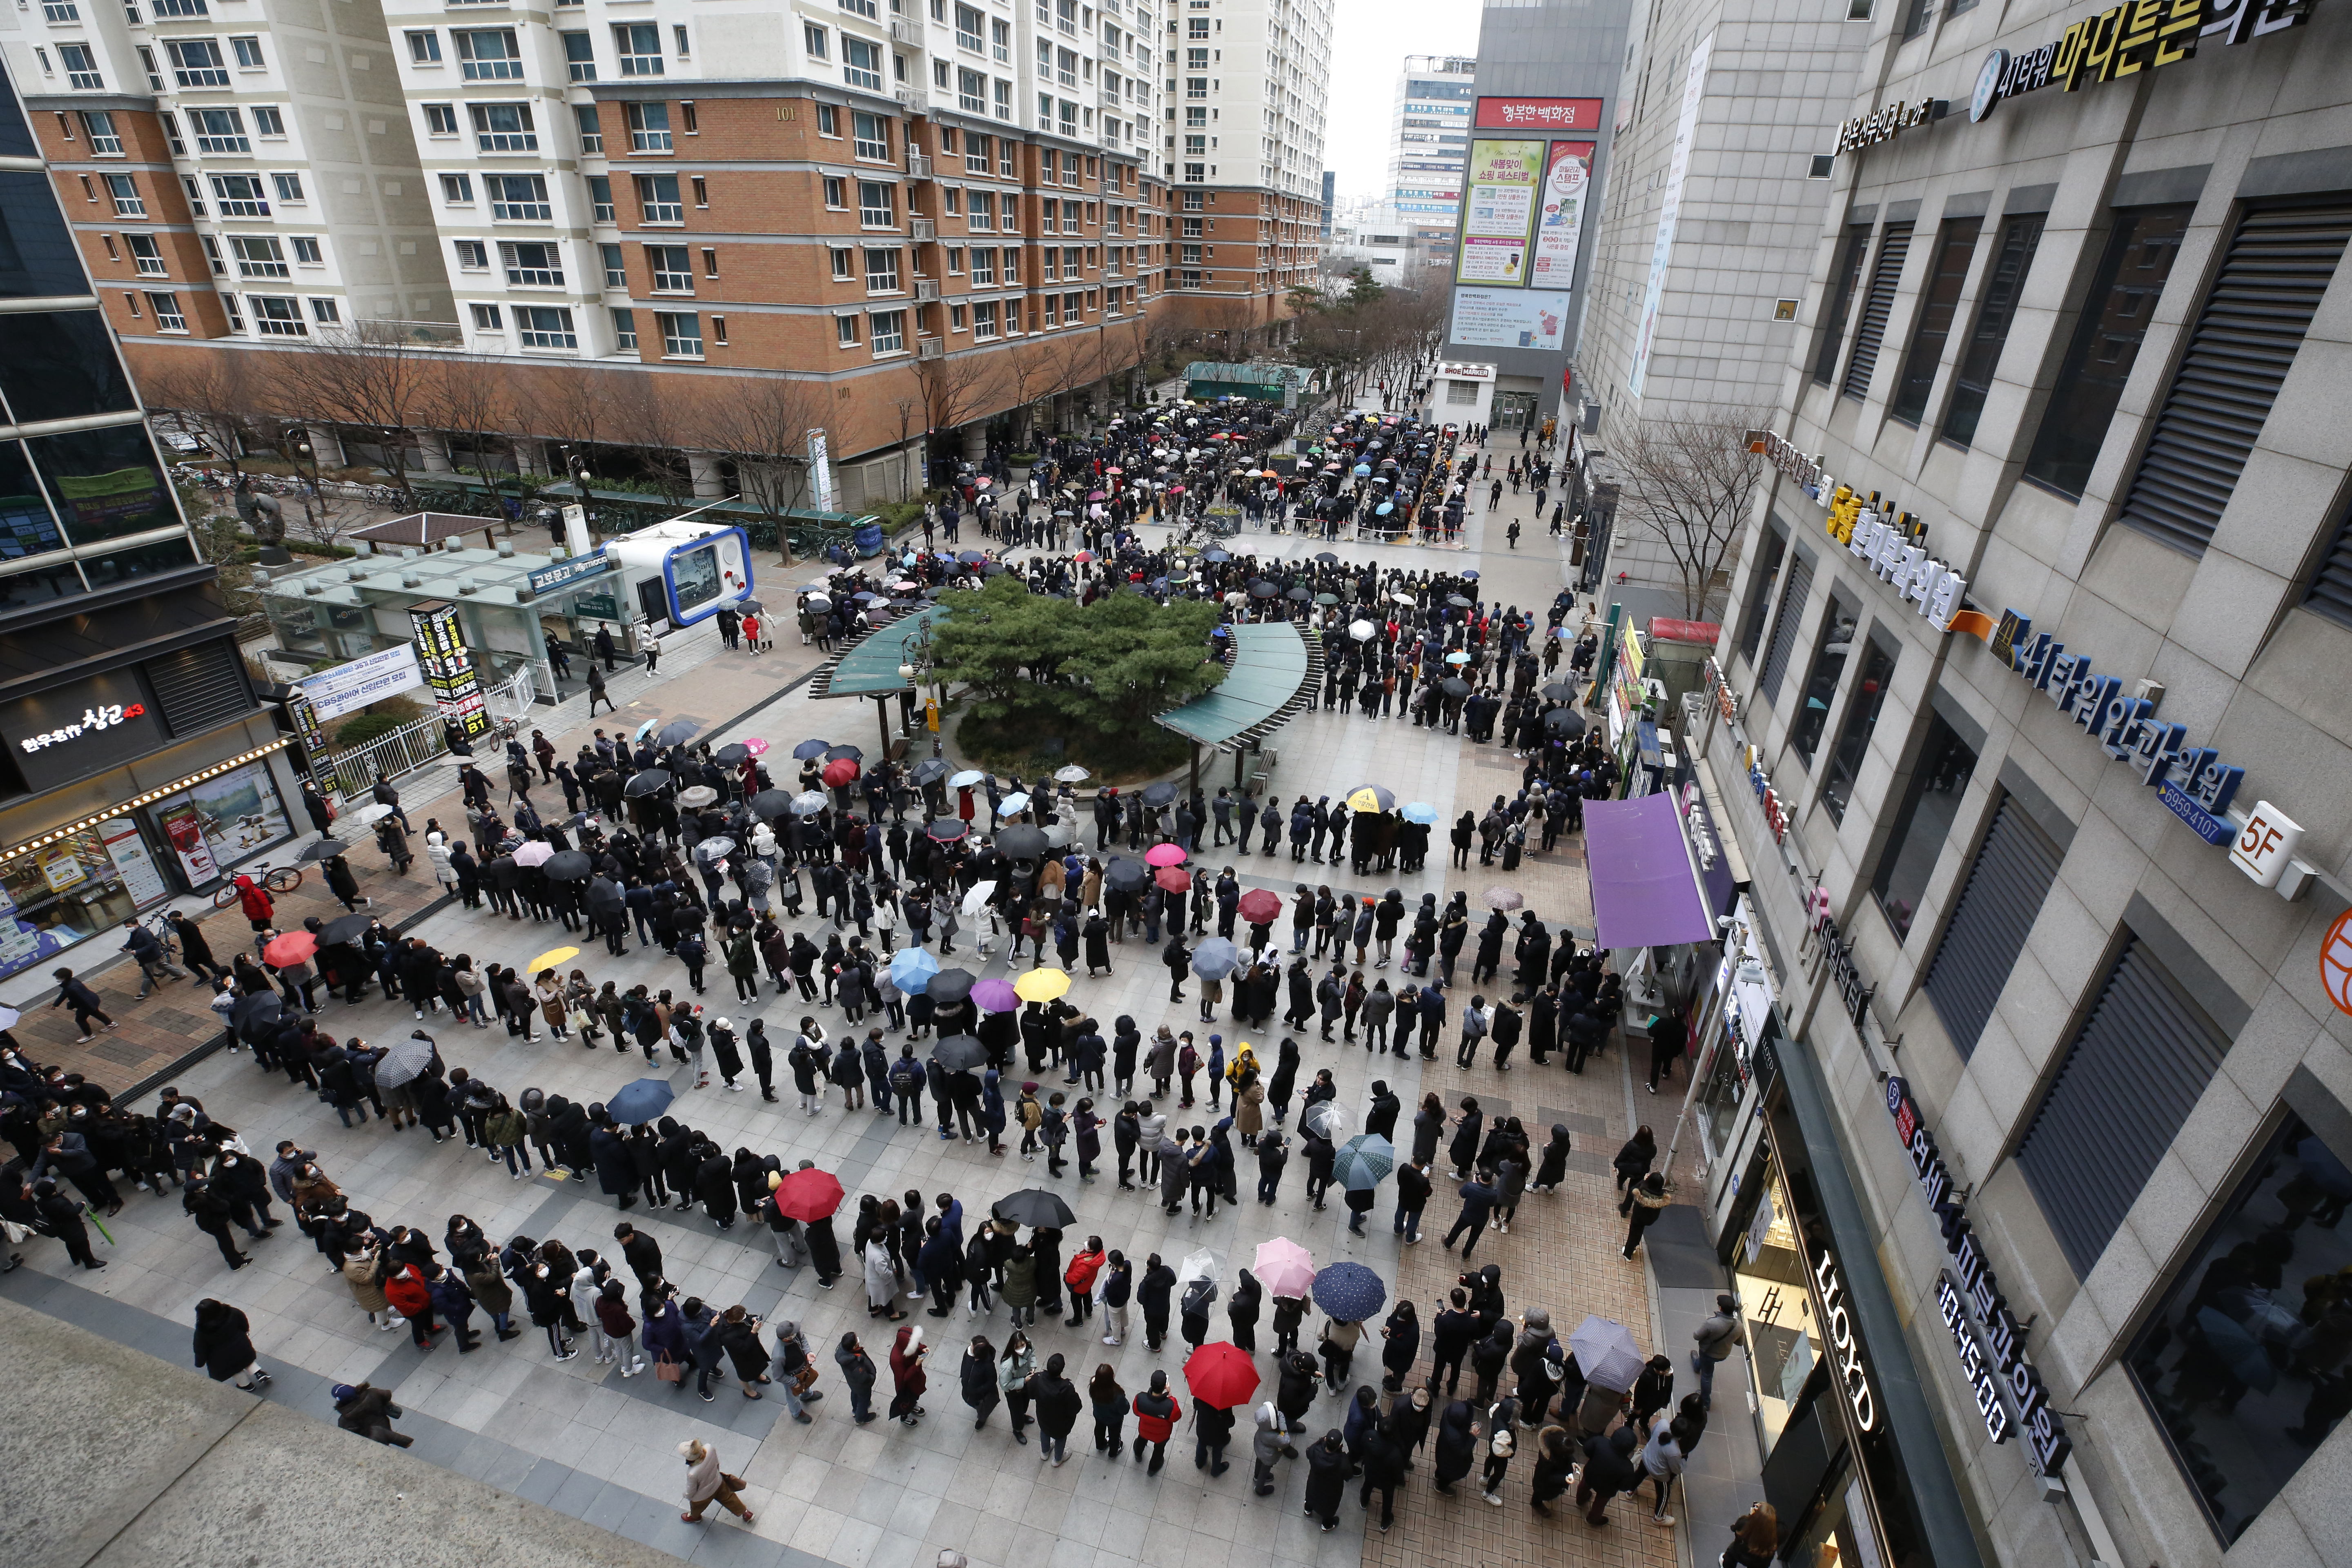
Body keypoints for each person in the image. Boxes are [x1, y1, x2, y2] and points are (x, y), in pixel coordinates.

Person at [192, 1298, 269, 1391]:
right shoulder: (231, 1312)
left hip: (222, 1357)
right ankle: (259, 1373)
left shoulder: (202, 1331)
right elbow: (242, 1319)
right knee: (246, 1360)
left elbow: (200, 1349)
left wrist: (199, 1363)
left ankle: (247, 1386)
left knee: (234, 1370)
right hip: (241, 1345)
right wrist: (245, 1330)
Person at [678, 1439, 755, 1526]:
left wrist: (687, 1495)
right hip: (718, 1482)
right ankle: (746, 1513)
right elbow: (717, 1464)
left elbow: (692, 1490)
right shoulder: (709, 1448)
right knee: (730, 1498)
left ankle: (695, 1517)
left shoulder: (692, 1473)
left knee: (697, 1507)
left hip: (703, 1495)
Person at [1029, 1351, 1084, 1465]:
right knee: (1060, 1438)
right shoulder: (1067, 1389)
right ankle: (1058, 1459)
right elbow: (1076, 1407)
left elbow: (1030, 1394)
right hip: (1061, 1423)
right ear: (1062, 1370)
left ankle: (1045, 1453)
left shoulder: (1038, 1379)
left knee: (1044, 1432)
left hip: (1043, 1417)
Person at [1692, 1292, 1745, 1408]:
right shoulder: (1739, 1326)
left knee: (1707, 1376)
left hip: (1708, 1352)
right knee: (1706, 1364)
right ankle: (1697, 1364)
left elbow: (1696, 1336)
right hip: (1723, 1354)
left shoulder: (1711, 1323)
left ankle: (1706, 1402)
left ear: (1720, 1308)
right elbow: (1740, 1343)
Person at [1131, 1368, 1181, 1474]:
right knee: (1159, 1450)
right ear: (1165, 1387)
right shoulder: (1170, 1405)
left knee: (1141, 1440)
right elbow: (1176, 1417)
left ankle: (1138, 1454)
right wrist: (1170, 1395)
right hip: (1162, 1436)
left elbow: (1136, 1412)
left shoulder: (1140, 1398)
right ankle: (1153, 1469)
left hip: (1144, 1431)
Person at [1302, 1429, 1350, 1532]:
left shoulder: (1315, 1450)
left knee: (1311, 1495)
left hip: (1314, 1483)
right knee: (1329, 1508)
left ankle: (1308, 1509)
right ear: (1339, 1446)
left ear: (1325, 1440)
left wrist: (1320, 1442)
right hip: (1331, 1492)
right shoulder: (1343, 1462)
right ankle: (1326, 1525)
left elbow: (1308, 1452)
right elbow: (1348, 1476)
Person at [1623, 1172, 1669, 1259]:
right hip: (1651, 1219)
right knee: (1640, 1230)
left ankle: (1628, 1254)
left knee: (1633, 1233)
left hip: (1638, 1217)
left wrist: (1643, 1181)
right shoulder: (1662, 1195)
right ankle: (1635, 1246)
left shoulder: (1643, 1190)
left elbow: (1632, 1191)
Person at [1721, 1501, 1780, 1567]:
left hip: (1740, 1553)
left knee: (1729, 1557)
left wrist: (1751, 1516)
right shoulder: (1779, 1533)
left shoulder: (1744, 1523)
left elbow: (1734, 1528)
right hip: (1762, 1561)